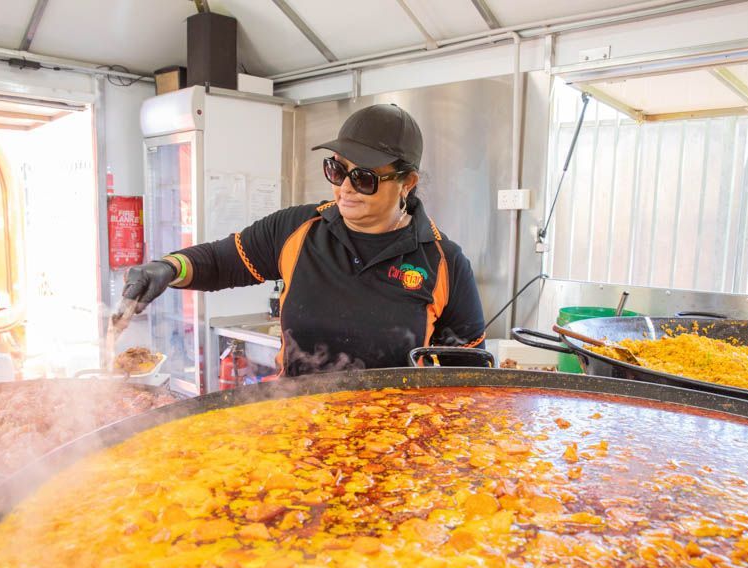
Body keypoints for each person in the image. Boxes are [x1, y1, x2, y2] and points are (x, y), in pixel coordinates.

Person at [121, 103, 485, 376]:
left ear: (407, 183)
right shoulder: (298, 228)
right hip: (295, 428)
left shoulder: (443, 263)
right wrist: (168, 267)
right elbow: (221, 261)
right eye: (337, 169)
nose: (344, 188)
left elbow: (468, 374)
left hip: (390, 440)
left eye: (364, 178)